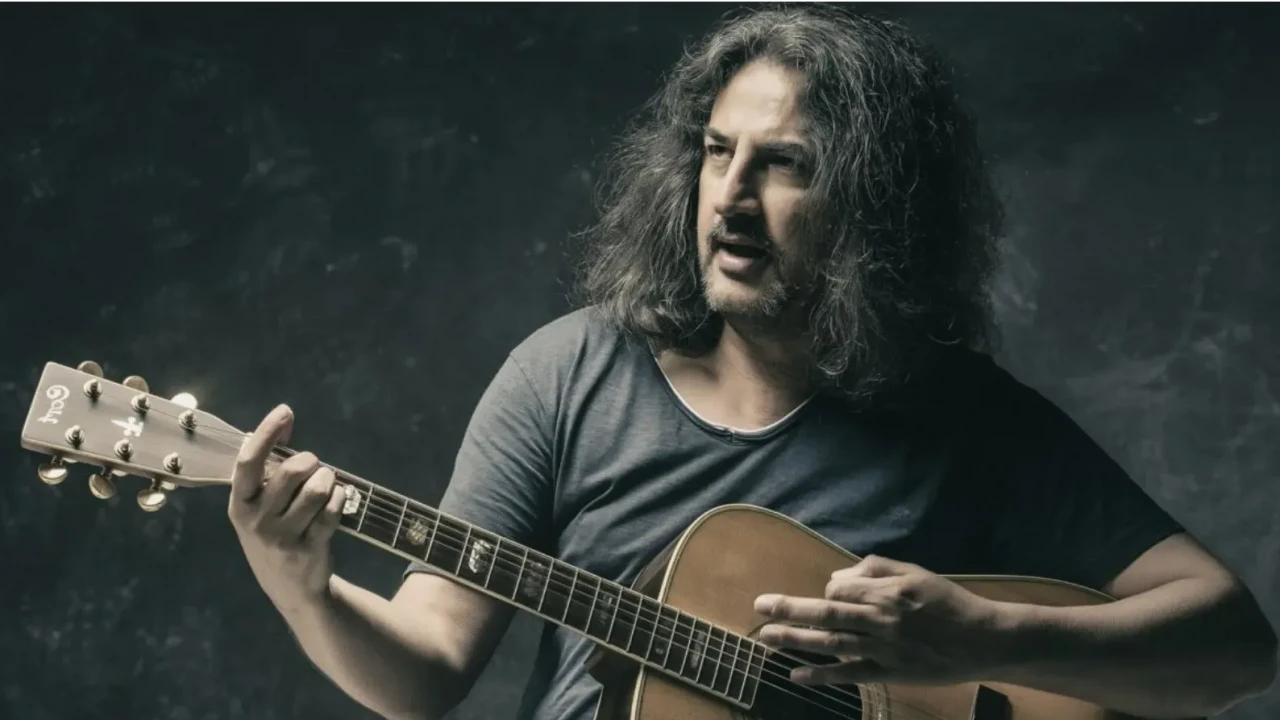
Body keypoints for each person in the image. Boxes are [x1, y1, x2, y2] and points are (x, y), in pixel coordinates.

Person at [226, 6, 1276, 720]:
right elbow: (425, 672)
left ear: (873, 205)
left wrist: (985, 638)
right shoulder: (566, 375)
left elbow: (1235, 648)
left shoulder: (965, 419)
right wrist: (305, 589)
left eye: (784, 165)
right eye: (717, 152)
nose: (729, 197)